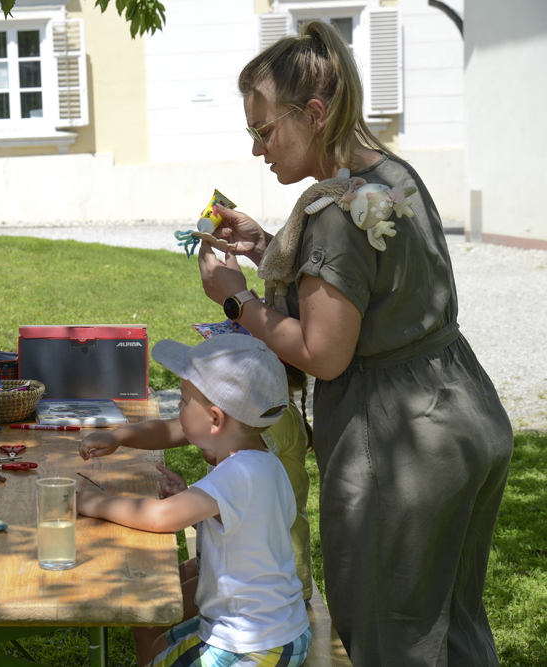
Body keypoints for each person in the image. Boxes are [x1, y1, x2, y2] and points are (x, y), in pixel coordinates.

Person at [197, 21, 512, 666]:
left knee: (392, 633)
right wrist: (266, 248)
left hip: (399, 443)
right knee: (453, 624)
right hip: (464, 417)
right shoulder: (391, 175)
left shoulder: (338, 213)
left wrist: (236, 299)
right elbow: (366, 292)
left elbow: (323, 351)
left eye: (264, 130)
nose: (258, 149)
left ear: (314, 115)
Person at [79, 335, 312, 667]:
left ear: (215, 419)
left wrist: (95, 502)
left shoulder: (238, 473)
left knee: (161, 658)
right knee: (160, 645)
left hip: (251, 644)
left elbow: (160, 517)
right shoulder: (263, 463)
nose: (179, 409)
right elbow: (244, 527)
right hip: (277, 629)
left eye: (184, 402)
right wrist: (189, 498)